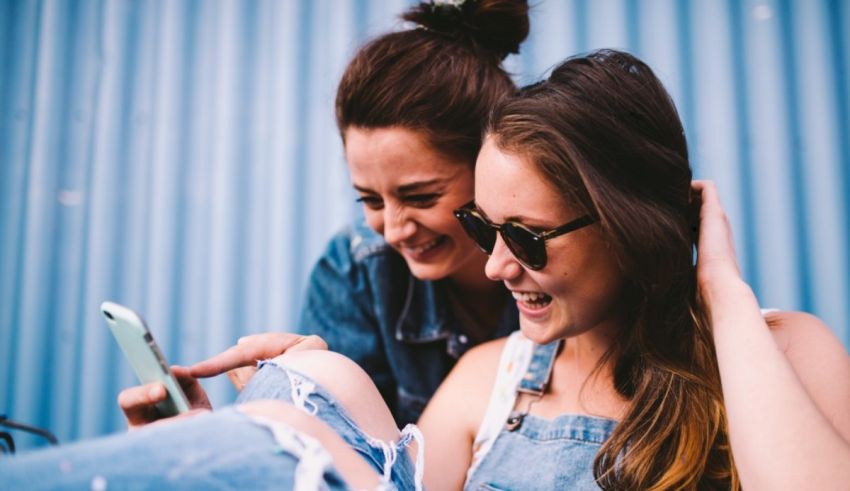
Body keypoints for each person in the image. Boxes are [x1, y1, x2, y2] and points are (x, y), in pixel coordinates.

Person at [4, 48, 849, 490]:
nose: (495, 263)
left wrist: (721, 292)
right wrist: (210, 451)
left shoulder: (783, 351)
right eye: (485, 226)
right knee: (316, 379)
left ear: (634, 223)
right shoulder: (491, 377)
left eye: (530, 236)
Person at [127, 0, 532, 428]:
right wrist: (307, 397)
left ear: (491, 165)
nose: (393, 230)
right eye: (371, 201)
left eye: (421, 197)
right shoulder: (356, 269)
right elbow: (338, 457)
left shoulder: (569, 267)